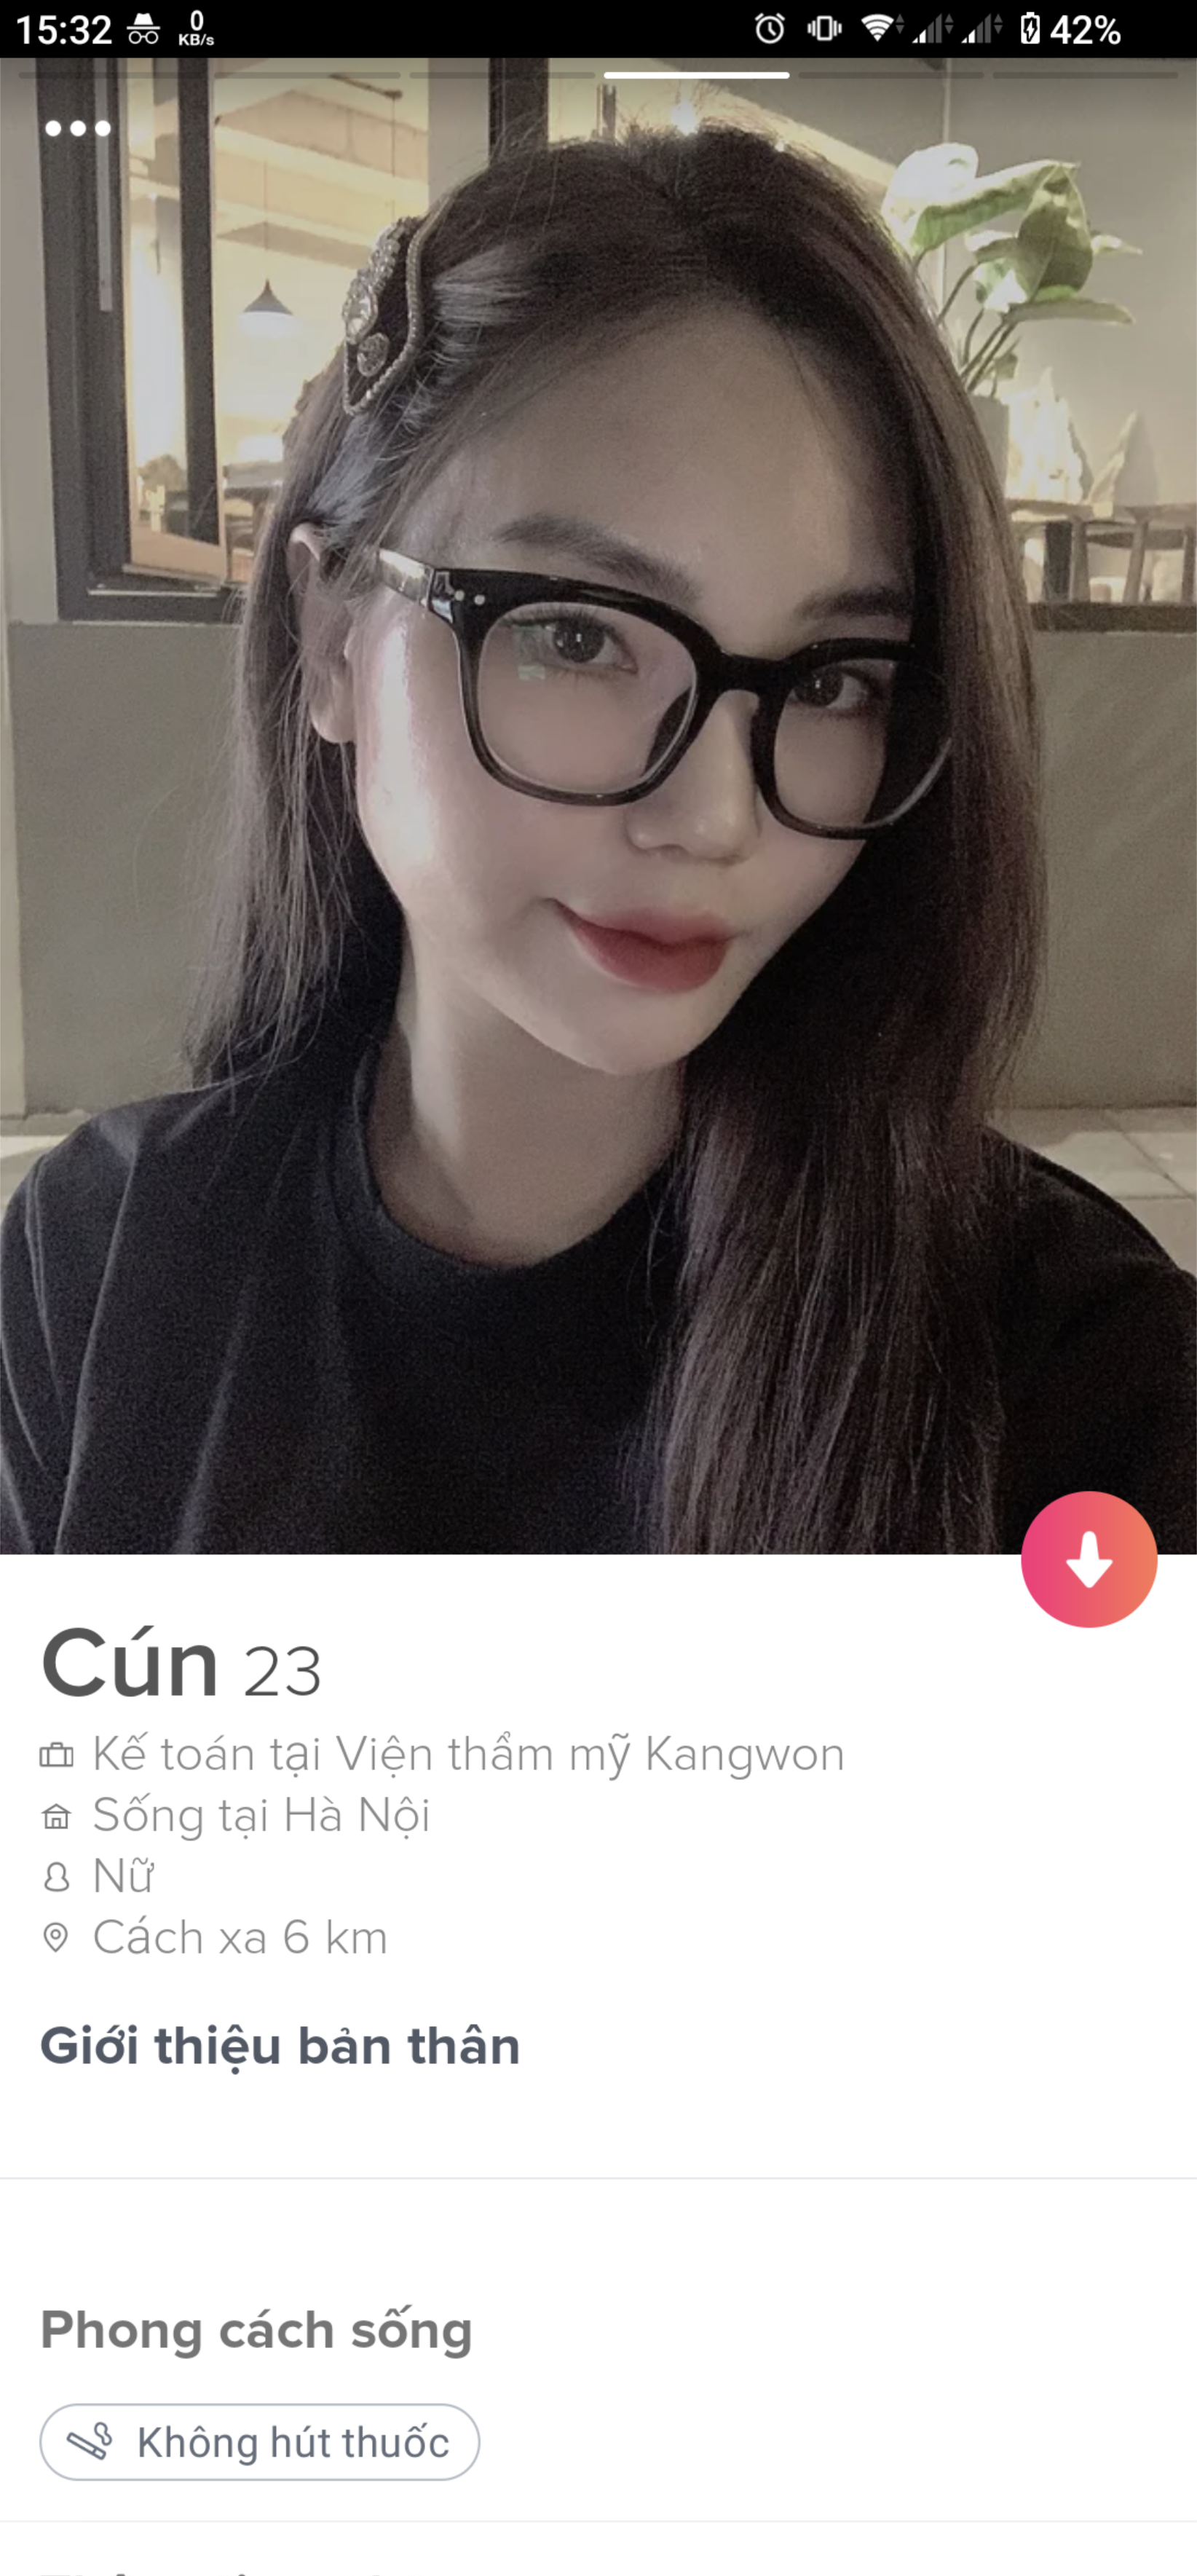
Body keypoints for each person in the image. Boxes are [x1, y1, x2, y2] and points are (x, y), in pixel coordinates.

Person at [1, 125, 1192, 1554]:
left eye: (832, 681)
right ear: (329, 640)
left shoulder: (1079, 1371)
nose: (715, 817)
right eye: (574, 636)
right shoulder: (104, 1268)